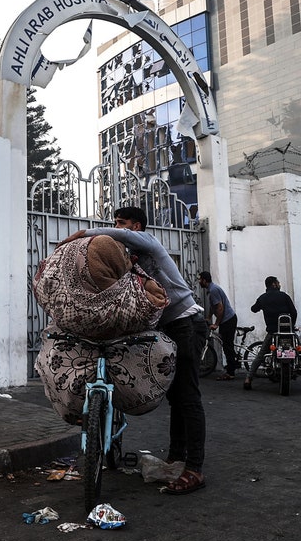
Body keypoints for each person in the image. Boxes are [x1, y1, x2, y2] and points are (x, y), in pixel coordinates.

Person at [65, 207, 210, 494]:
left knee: (188, 397)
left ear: (137, 226)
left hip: (186, 323)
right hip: (166, 328)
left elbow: (118, 235)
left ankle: (194, 468)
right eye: (115, 222)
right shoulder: (128, 260)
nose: (116, 227)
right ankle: (176, 457)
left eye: (121, 223)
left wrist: (83, 234)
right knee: (176, 398)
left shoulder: (149, 242)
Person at [244, 276, 301, 392]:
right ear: (274, 284)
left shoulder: (263, 298)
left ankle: (248, 380)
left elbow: (253, 309)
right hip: (288, 333)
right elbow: (294, 312)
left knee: (261, 356)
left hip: (273, 333)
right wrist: (291, 326)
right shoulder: (284, 296)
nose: (279, 284)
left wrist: (262, 306)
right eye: (278, 283)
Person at [198, 271, 239, 379]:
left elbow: (220, 308)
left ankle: (230, 373)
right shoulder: (211, 290)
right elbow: (213, 306)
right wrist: (208, 317)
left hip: (228, 320)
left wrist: (216, 324)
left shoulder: (213, 290)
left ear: (204, 280)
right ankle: (232, 365)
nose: (199, 281)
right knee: (227, 344)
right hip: (227, 320)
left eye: (200, 279)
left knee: (227, 346)